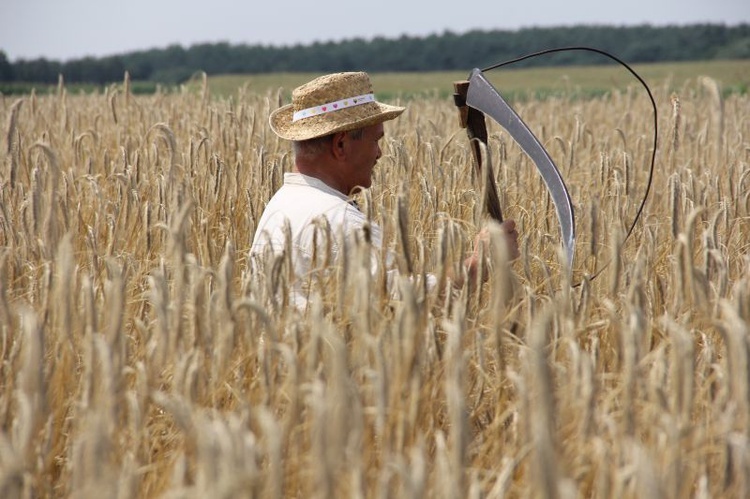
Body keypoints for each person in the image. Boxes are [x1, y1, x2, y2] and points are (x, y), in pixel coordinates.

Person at [250, 71, 518, 308]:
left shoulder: (283, 203)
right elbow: (404, 303)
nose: (379, 153)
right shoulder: (339, 221)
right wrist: (479, 263)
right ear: (341, 145)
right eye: (376, 140)